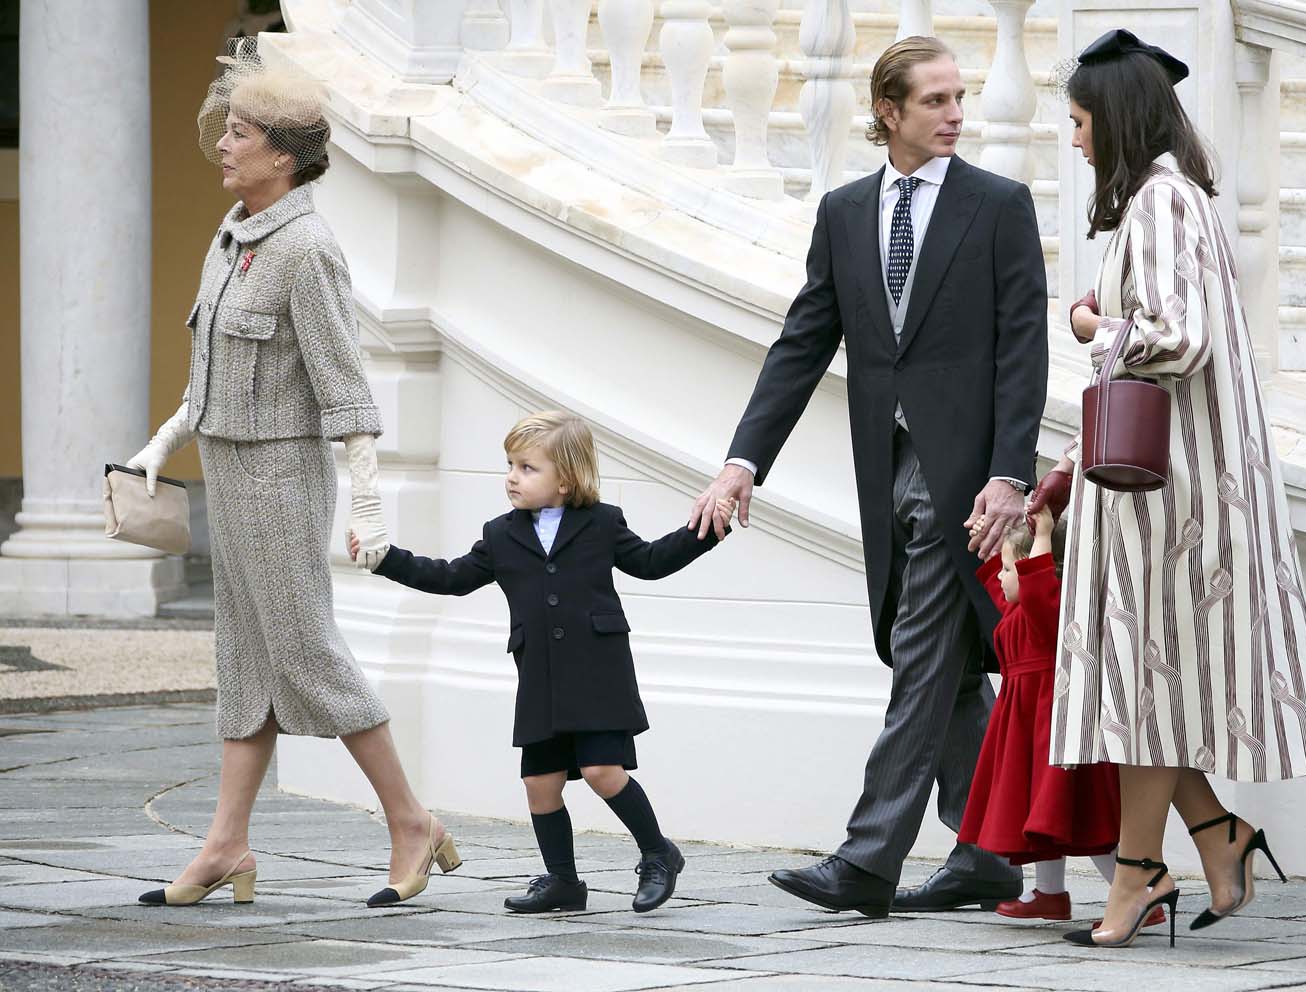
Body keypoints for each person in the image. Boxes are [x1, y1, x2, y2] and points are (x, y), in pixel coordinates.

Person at [690, 35, 1048, 917]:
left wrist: (1009, 473)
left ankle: (866, 860)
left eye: (960, 97)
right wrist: (744, 463)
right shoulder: (845, 211)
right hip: (882, 468)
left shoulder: (1000, 204)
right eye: (935, 101)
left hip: (962, 480)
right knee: (946, 661)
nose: (956, 114)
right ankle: (987, 850)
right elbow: (805, 340)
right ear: (888, 112)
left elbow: (1024, 350)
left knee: (921, 653)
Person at [1028, 29, 1306, 949]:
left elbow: (1177, 336)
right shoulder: (1174, 196)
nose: (1076, 140)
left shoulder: (1162, 202)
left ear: (1115, 119)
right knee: (1145, 685)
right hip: (1175, 488)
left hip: (1172, 502)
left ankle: (1140, 871)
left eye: (1081, 122)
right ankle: (1212, 836)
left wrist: (1096, 322)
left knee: (1141, 682)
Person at [127, 45, 453, 909]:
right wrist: (160, 447)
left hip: (279, 478)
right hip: (226, 476)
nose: (225, 144)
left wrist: (371, 505)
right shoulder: (230, 232)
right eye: (228, 128)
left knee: (306, 655)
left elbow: (345, 387)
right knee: (244, 663)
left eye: (241, 132)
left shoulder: (308, 248)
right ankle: (227, 843)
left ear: (285, 155)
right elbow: (207, 372)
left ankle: (411, 819)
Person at [354, 412, 733, 914]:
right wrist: (387, 559)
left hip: (599, 672)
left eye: (527, 467)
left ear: (567, 478)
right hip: (541, 678)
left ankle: (658, 853)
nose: (512, 476)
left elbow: (651, 562)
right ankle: (562, 882)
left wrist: (709, 529)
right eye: (510, 464)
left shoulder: (602, 522)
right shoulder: (500, 534)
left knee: (602, 770)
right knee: (540, 782)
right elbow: (452, 577)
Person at [958, 506, 1139, 926]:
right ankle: (1049, 895)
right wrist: (991, 552)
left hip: (1051, 733)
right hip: (1027, 729)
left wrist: (1039, 537)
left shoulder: (1050, 611)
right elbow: (1014, 593)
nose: (1000, 579)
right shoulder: (1026, 610)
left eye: (1007, 569)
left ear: (1033, 569)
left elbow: (1037, 587)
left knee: (1080, 819)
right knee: (1039, 818)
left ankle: (1133, 898)